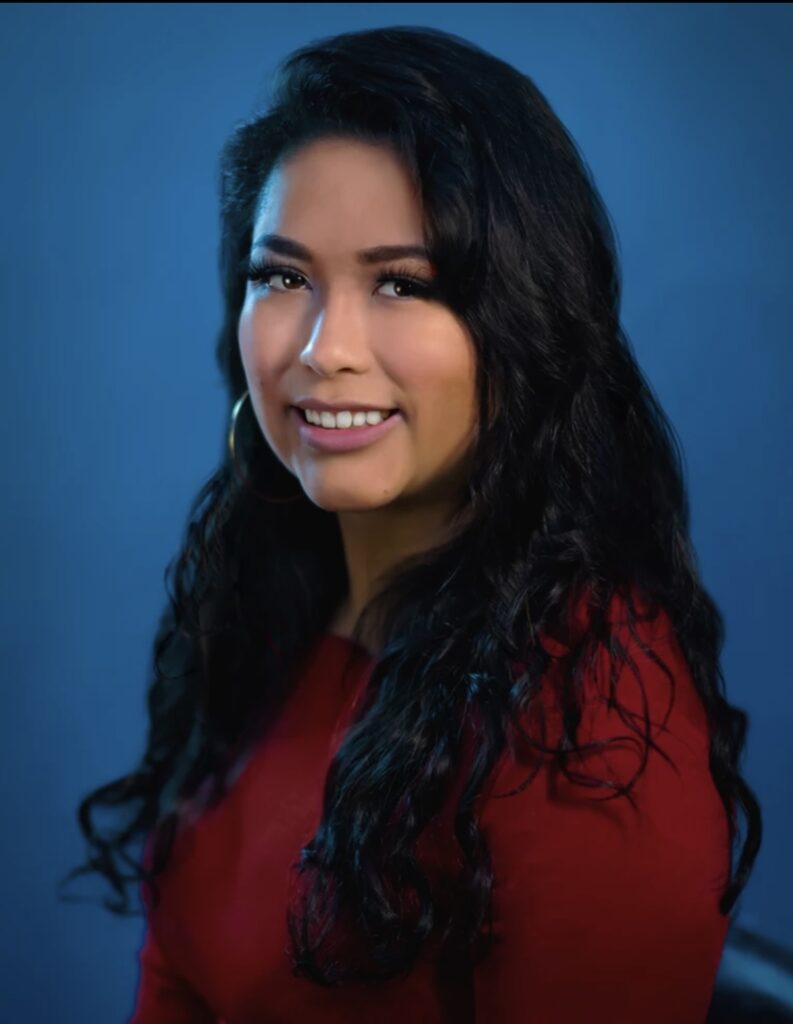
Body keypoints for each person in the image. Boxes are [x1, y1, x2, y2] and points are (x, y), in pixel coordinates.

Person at [60, 24, 763, 1022]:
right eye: (282, 276)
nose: (323, 347)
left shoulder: (591, 728)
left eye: (404, 283)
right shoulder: (270, 613)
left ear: (522, 326)